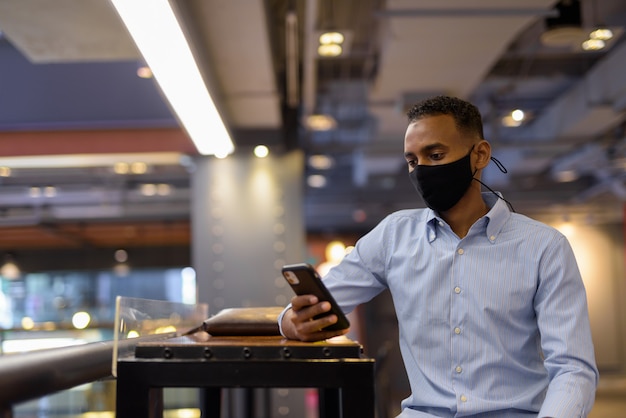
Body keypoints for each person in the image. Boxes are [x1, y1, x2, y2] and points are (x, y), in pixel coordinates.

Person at [279, 95, 599, 417]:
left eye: (435, 155)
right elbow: (317, 302)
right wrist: (293, 323)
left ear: (480, 155)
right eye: (412, 161)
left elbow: (573, 369)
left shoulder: (544, 247)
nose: (422, 170)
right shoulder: (393, 235)